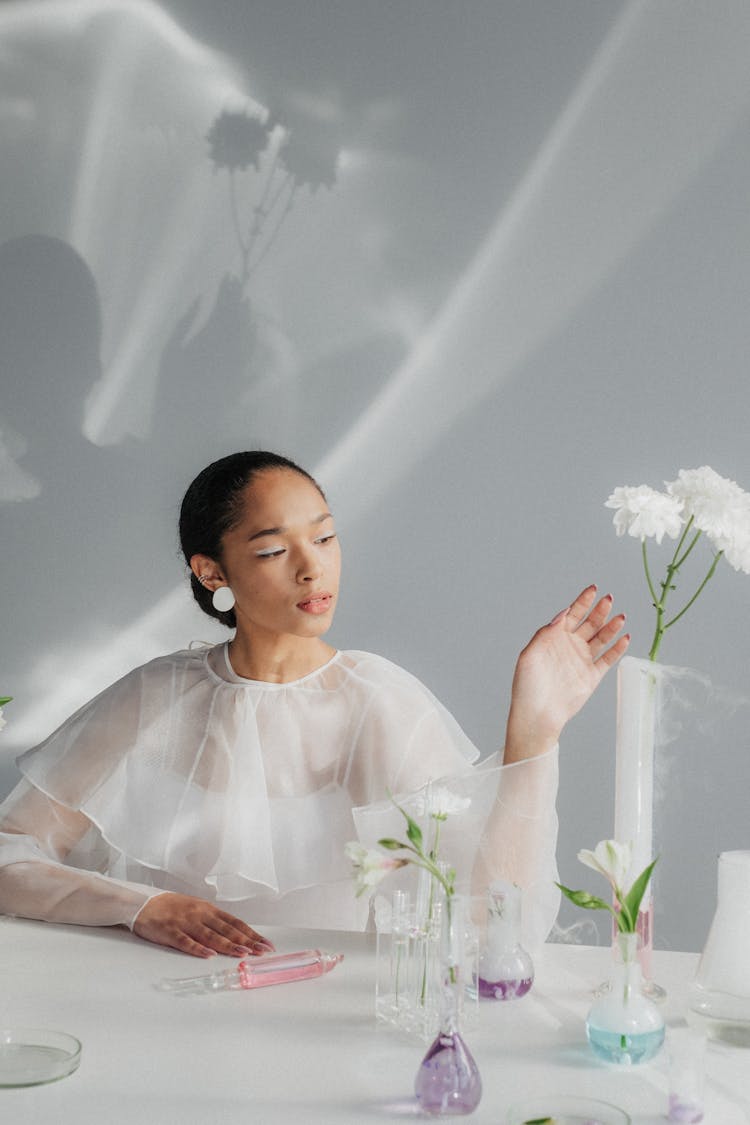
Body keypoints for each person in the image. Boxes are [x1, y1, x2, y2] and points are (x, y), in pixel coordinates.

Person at [0, 451, 628, 959]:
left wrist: (533, 738)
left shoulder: (376, 703)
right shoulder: (155, 696)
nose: (312, 569)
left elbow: (493, 923)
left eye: (325, 538)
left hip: (320, 1017)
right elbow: (9, 854)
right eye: (274, 550)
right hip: (162, 1002)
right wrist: (141, 907)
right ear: (212, 572)